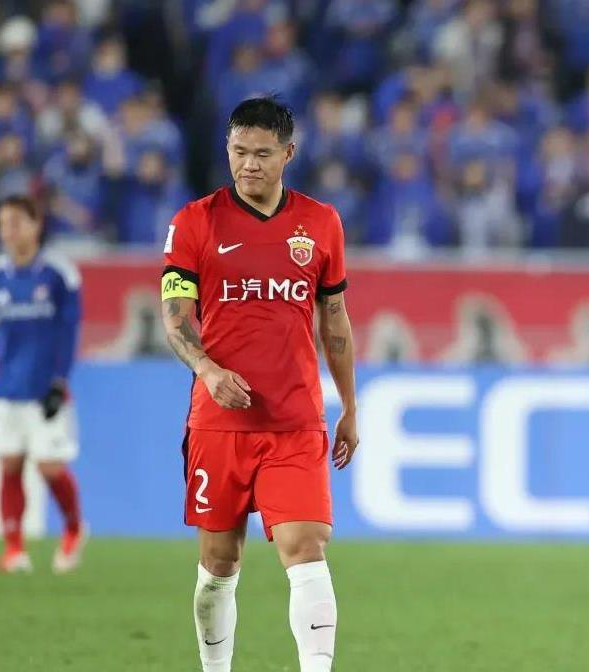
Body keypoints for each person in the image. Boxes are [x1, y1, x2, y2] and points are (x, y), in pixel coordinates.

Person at [160, 97, 359, 672]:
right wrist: (208, 370)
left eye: (262, 154)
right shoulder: (194, 222)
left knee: (307, 548)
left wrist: (349, 405)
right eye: (239, 151)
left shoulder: (321, 223)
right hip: (219, 422)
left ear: (288, 154)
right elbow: (175, 319)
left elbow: (335, 320)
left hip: (294, 419)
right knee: (219, 564)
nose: (249, 164)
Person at [0, 195, 84, 574]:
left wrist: (59, 382)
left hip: (45, 389)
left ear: (36, 225)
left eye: (16, 222)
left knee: (49, 467)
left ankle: (74, 528)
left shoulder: (59, 275)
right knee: (10, 464)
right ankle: (14, 550)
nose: (8, 231)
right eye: (3, 224)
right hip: (6, 388)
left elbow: (69, 334)